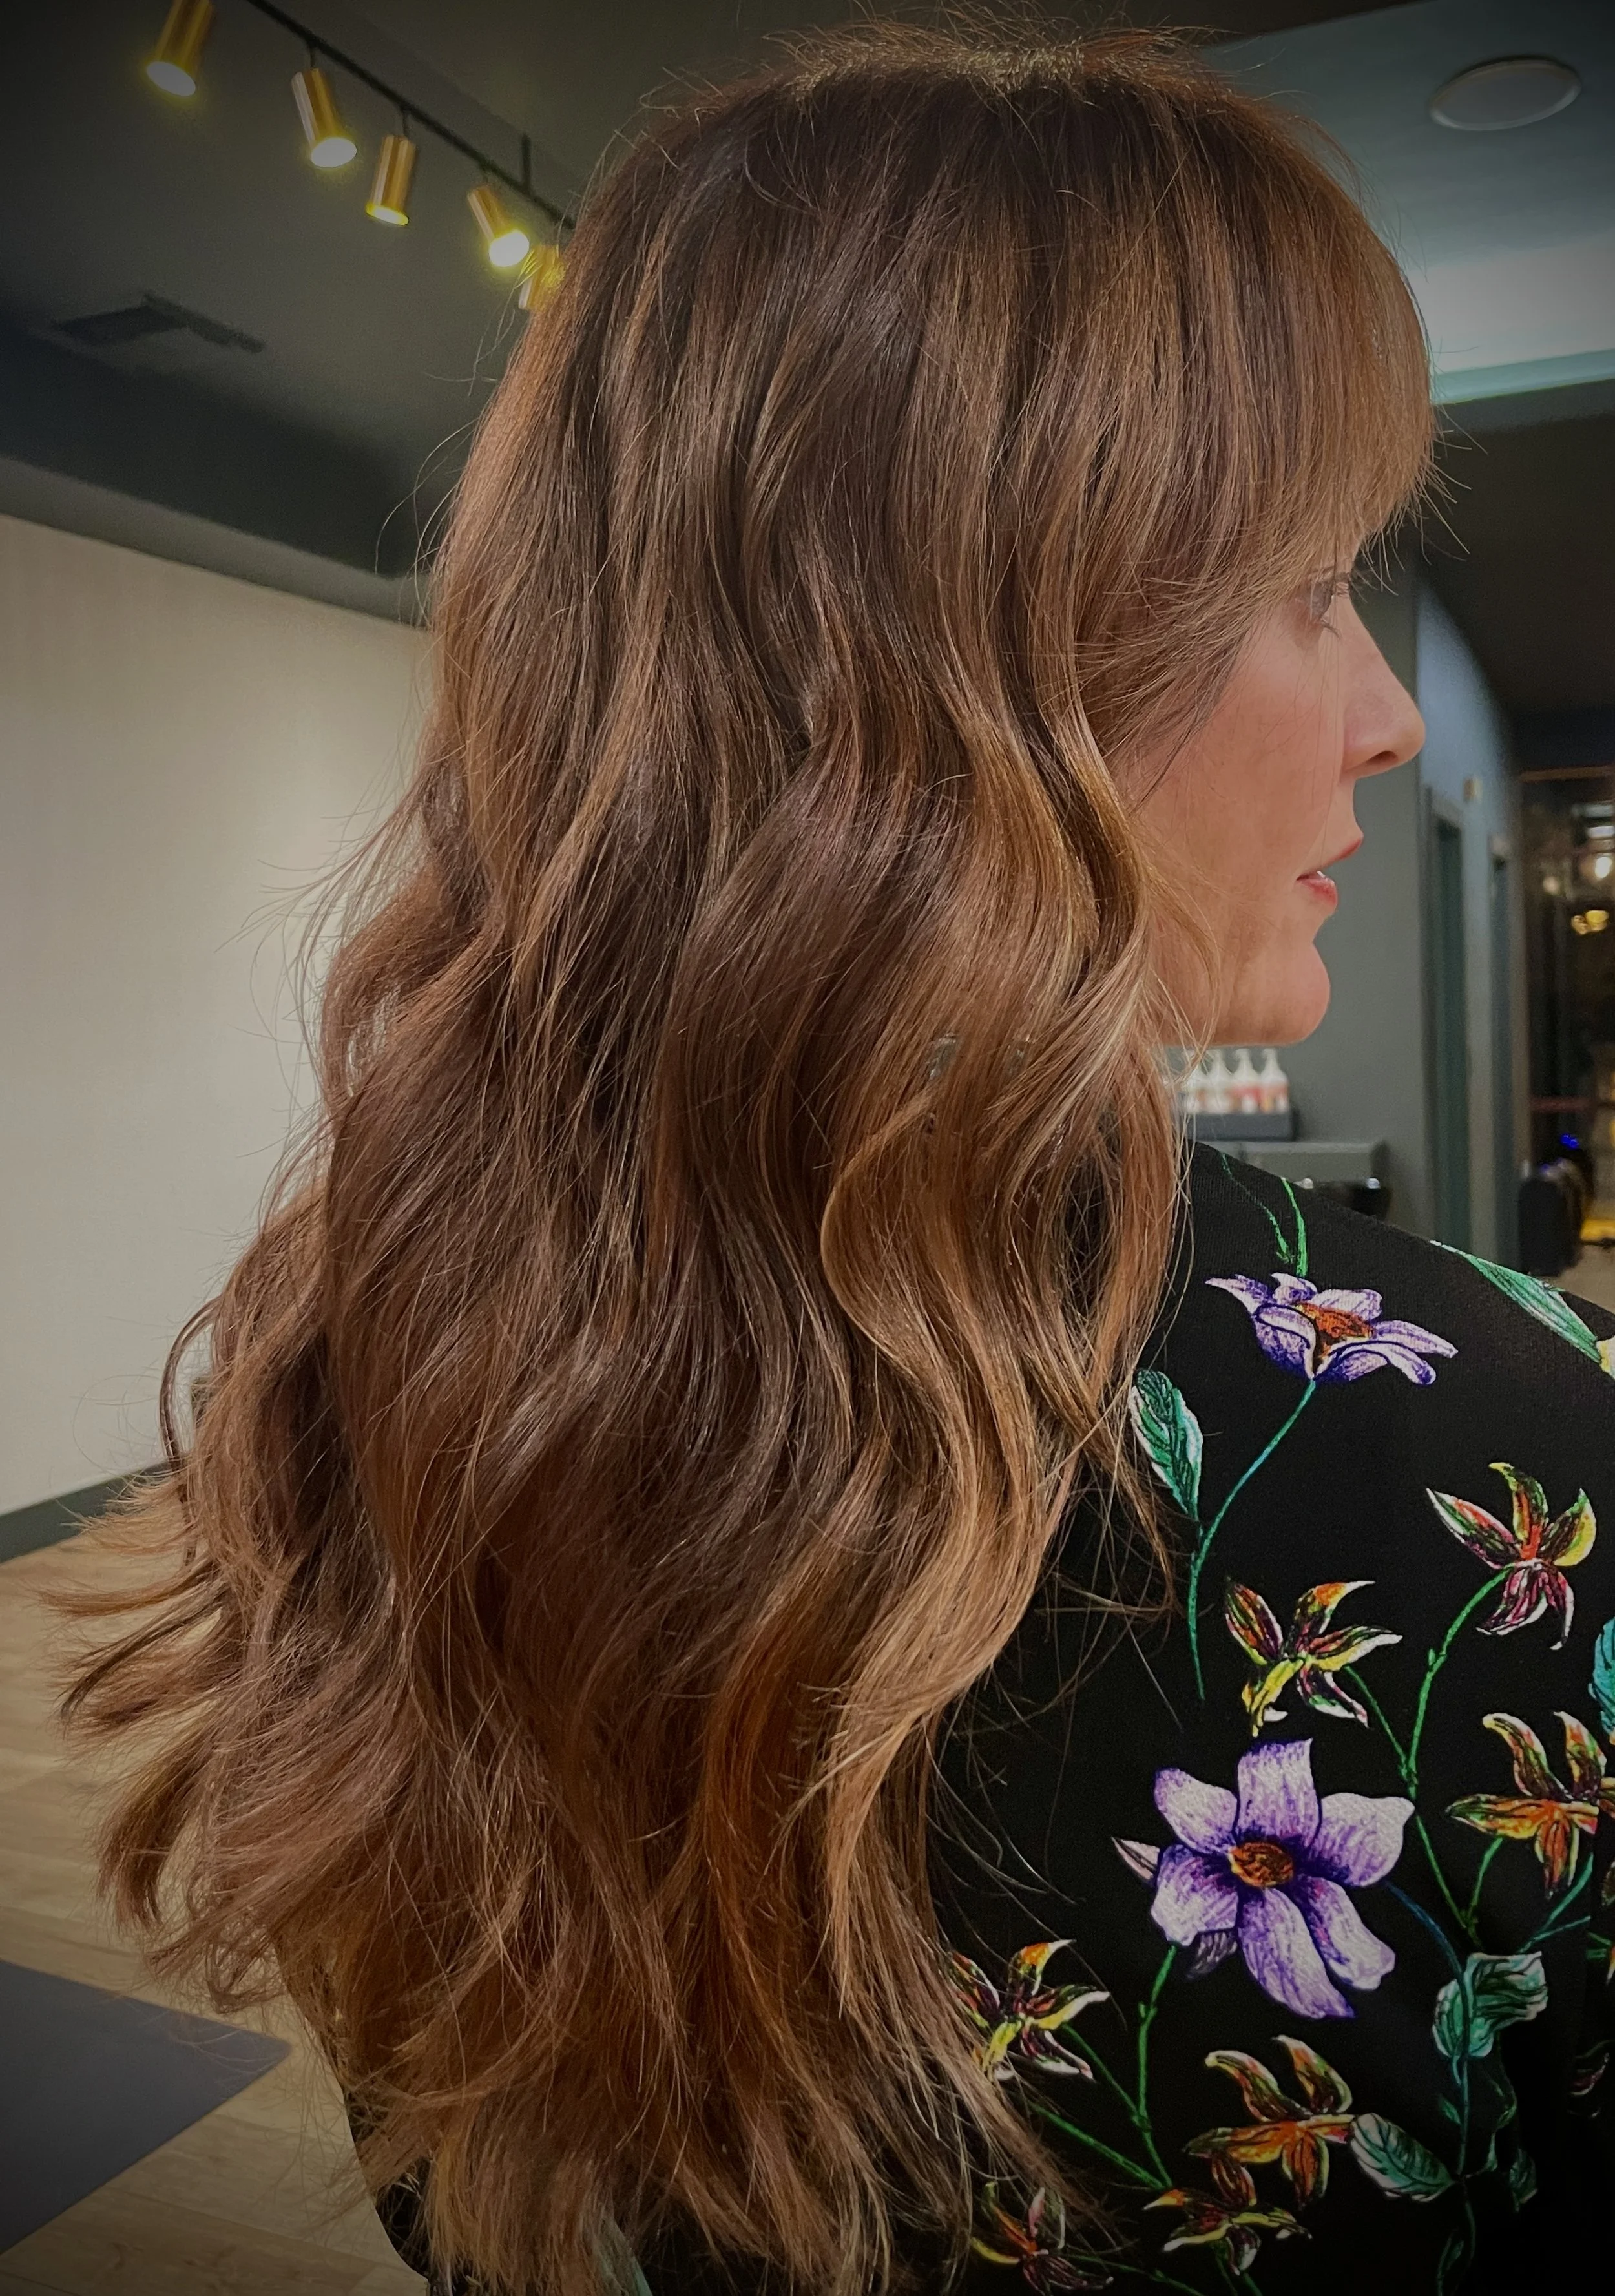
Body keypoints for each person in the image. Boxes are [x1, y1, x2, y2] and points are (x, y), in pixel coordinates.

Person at [55, 20, 1613, 2296]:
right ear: (992, 660)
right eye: (1304, 588)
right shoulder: (1498, 1472)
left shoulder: (388, 1343)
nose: (1377, 709)